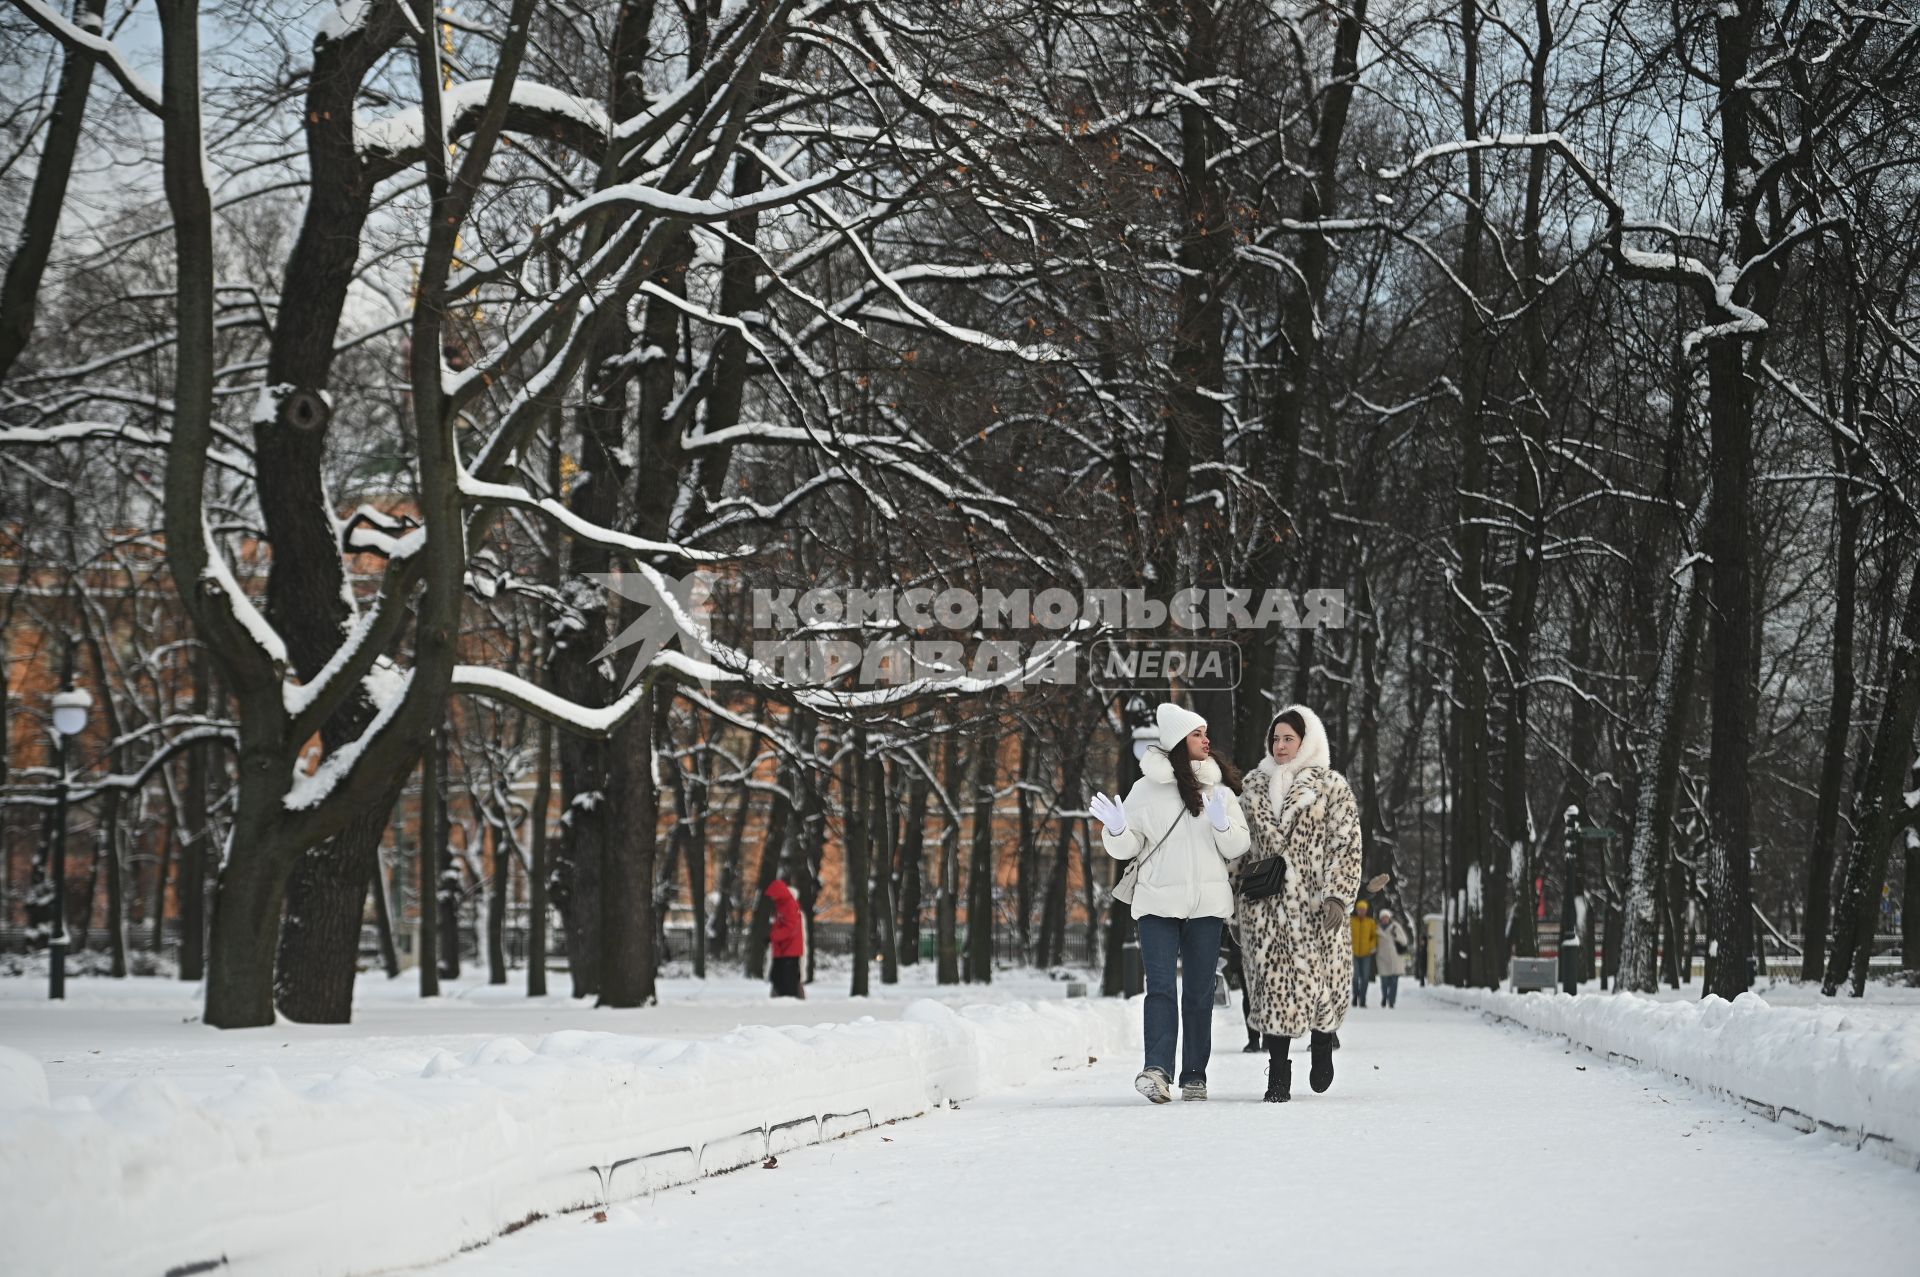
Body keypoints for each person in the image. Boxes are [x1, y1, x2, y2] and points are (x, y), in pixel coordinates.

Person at [1089, 702, 1249, 1103]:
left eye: (1206, 732)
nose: (1206, 740)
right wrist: (1117, 829)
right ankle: (1157, 1070)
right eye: (1198, 734)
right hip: (1157, 906)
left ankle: (1195, 1075)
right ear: (1179, 741)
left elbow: (1238, 846)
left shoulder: (1219, 791)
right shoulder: (1145, 790)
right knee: (1160, 988)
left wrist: (1222, 823)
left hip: (1206, 908)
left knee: (1198, 991)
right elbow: (1128, 848)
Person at [1234, 705, 1371, 1103]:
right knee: (1274, 988)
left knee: (1321, 985)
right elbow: (1239, 852)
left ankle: (1323, 1042)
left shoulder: (1331, 787)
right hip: (1266, 909)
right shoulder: (1253, 788)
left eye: (1288, 738)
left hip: (1315, 910)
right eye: (1275, 738)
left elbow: (1346, 845)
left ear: (1306, 741)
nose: (1279, 745)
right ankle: (1277, 1074)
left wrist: (1336, 895)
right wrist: (1234, 904)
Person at [765, 878, 806, 999]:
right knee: (779, 976)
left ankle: (791, 999)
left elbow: (790, 928)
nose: (772, 898)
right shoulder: (783, 905)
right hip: (784, 949)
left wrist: (773, 937)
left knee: (788, 979)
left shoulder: (789, 905)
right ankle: (782, 998)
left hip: (789, 949)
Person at [1376, 907, 1411, 1008]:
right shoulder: (1376, 928)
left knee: (1394, 982)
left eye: (1386, 917)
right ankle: (1384, 997)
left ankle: (1391, 1001)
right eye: (1383, 917)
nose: (1385, 919)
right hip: (1382, 958)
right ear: (1380, 918)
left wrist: (1396, 936)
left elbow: (1404, 941)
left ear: (1389, 918)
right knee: (1384, 982)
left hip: (1395, 959)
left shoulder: (1396, 927)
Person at [1351, 899, 1378, 1007]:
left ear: (1366, 911)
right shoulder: (1351, 921)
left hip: (1366, 954)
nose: (1361, 911)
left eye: (1363, 910)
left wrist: (1371, 947)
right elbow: (1345, 934)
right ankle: (1355, 996)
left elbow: (1374, 937)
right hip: (1353, 953)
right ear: (1357, 910)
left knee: (1365, 977)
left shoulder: (1370, 922)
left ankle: (1362, 999)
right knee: (1355, 976)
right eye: (1359, 909)